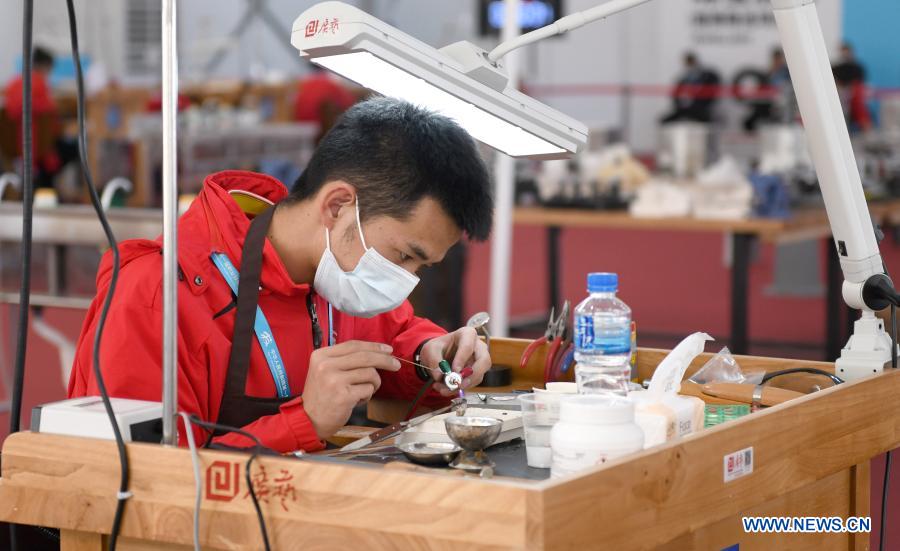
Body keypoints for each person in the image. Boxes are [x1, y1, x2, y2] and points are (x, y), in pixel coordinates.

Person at [68, 97, 494, 453]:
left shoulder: (340, 276)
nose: (405, 280)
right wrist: (305, 421)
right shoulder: (157, 296)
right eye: (403, 256)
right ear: (337, 206)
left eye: (422, 267)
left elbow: (396, 332)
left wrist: (425, 357)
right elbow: (143, 477)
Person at [2, 46, 62, 187]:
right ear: (46, 66)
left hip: (11, 148)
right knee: (74, 148)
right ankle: (48, 189)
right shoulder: (40, 84)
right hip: (37, 148)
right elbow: (51, 119)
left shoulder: (13, 83)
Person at [294, 64, 358, 141]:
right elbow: (350, 104)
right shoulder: (331, 83)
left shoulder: (304, 83)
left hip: (301, 123)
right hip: (321, 129)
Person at [660, 52, 722, 125]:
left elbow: (712, 93)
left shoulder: (707, 76)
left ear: (695, 61)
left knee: (706, 122)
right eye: (687, 63)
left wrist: (702, 105)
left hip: (700, 109)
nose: (689, 65)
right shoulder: (683, 79)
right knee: (665, 121)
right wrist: (680, 106)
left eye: (691, 62)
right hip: (683, 109)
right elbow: (675, 95)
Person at [832, 42, 871, 132]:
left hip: (854, 94)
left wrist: (851, 89)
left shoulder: (858, 67)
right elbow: (834, 82)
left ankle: (866, 130)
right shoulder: (835, 67)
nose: (845, 54)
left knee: (858, 104)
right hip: (839, 93)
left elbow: (860, 83)